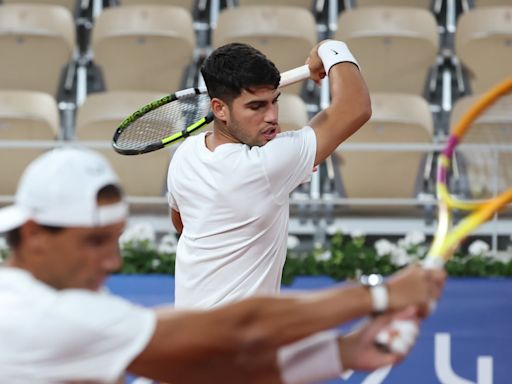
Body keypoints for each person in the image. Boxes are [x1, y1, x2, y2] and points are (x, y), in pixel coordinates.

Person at [0, 147, 446, 384]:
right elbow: (240, 330)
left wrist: (343, 353)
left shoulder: (49, 306)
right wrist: (380, 294)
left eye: (114, 241)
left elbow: (200, 373)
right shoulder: (41, 317)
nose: (113, 261)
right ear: (36, 234)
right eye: (93, 242)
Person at [167, 40, 373, 308]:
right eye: (256, 107)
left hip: (190, 335)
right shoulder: (265, 166)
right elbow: (356, 106)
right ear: (219, 109)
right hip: (238, 343)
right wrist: (330, 47)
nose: (272, 116)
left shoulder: (186, 153)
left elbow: (182, 224)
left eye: (274, 101)